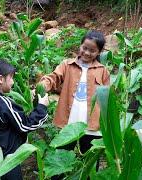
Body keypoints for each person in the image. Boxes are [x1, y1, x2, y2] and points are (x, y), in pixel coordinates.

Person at [37, 30, 109, 179]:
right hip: (68, 123)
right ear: (80, 45)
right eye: (85, 48)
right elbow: (54, 78)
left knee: (89, 166)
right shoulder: (67, 65)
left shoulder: (103, 71)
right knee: (60, 161)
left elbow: (108, 98)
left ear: (99, 52)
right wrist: (43, 85)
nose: (87, 52)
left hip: (92, 126)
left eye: (92, 50)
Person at [0, 58, 49, 180]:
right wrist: (42, 107)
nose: (13, 82)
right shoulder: (4, 103)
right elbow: (24, 125)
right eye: (11, 78)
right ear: (1, 79)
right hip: (8, 160)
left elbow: (12, 122)